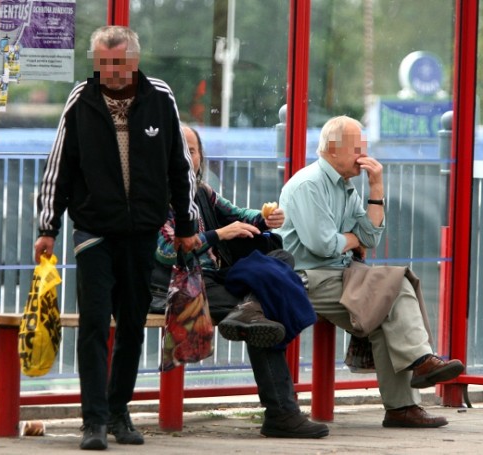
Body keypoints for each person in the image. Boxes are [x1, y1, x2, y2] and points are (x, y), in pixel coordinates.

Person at [34, 26, 201, 451]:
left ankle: (118, 409)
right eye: (102, 62)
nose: (109, 71)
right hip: (94, 230)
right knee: (93, 323)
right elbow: (59, 167)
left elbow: (179, 167)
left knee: (131, 323)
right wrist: (47, 228)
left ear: (134, 61)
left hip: (142, 230)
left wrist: (186, 226)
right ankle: (93, 420)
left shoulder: (160, 98)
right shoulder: (80, 100)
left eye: (117, 63)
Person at [277, 115, 465, 428]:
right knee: (393, 288)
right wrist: (353, 241)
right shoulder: (310, 184)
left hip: (338, 275)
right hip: (307, 279)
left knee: (388, 299)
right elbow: (323, 246)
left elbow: (372, 236)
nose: (364, 156)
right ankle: (417, 368)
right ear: (333, 150)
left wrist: (376, 187)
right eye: (357, 148)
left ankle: (402, 405)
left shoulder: (346, 188)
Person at [154, 125, 329, 439]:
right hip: (180, 284)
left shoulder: (202, 192)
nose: (184, 157)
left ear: (199, 158)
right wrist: (220, 234)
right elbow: (168, 252)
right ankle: (281, 414)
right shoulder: (152, 198)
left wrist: (265, 218)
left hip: (217, 279)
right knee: (264, 318)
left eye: (191, 150)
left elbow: (239, 214)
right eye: (176, 149)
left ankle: (251, 308)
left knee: (280, 259)